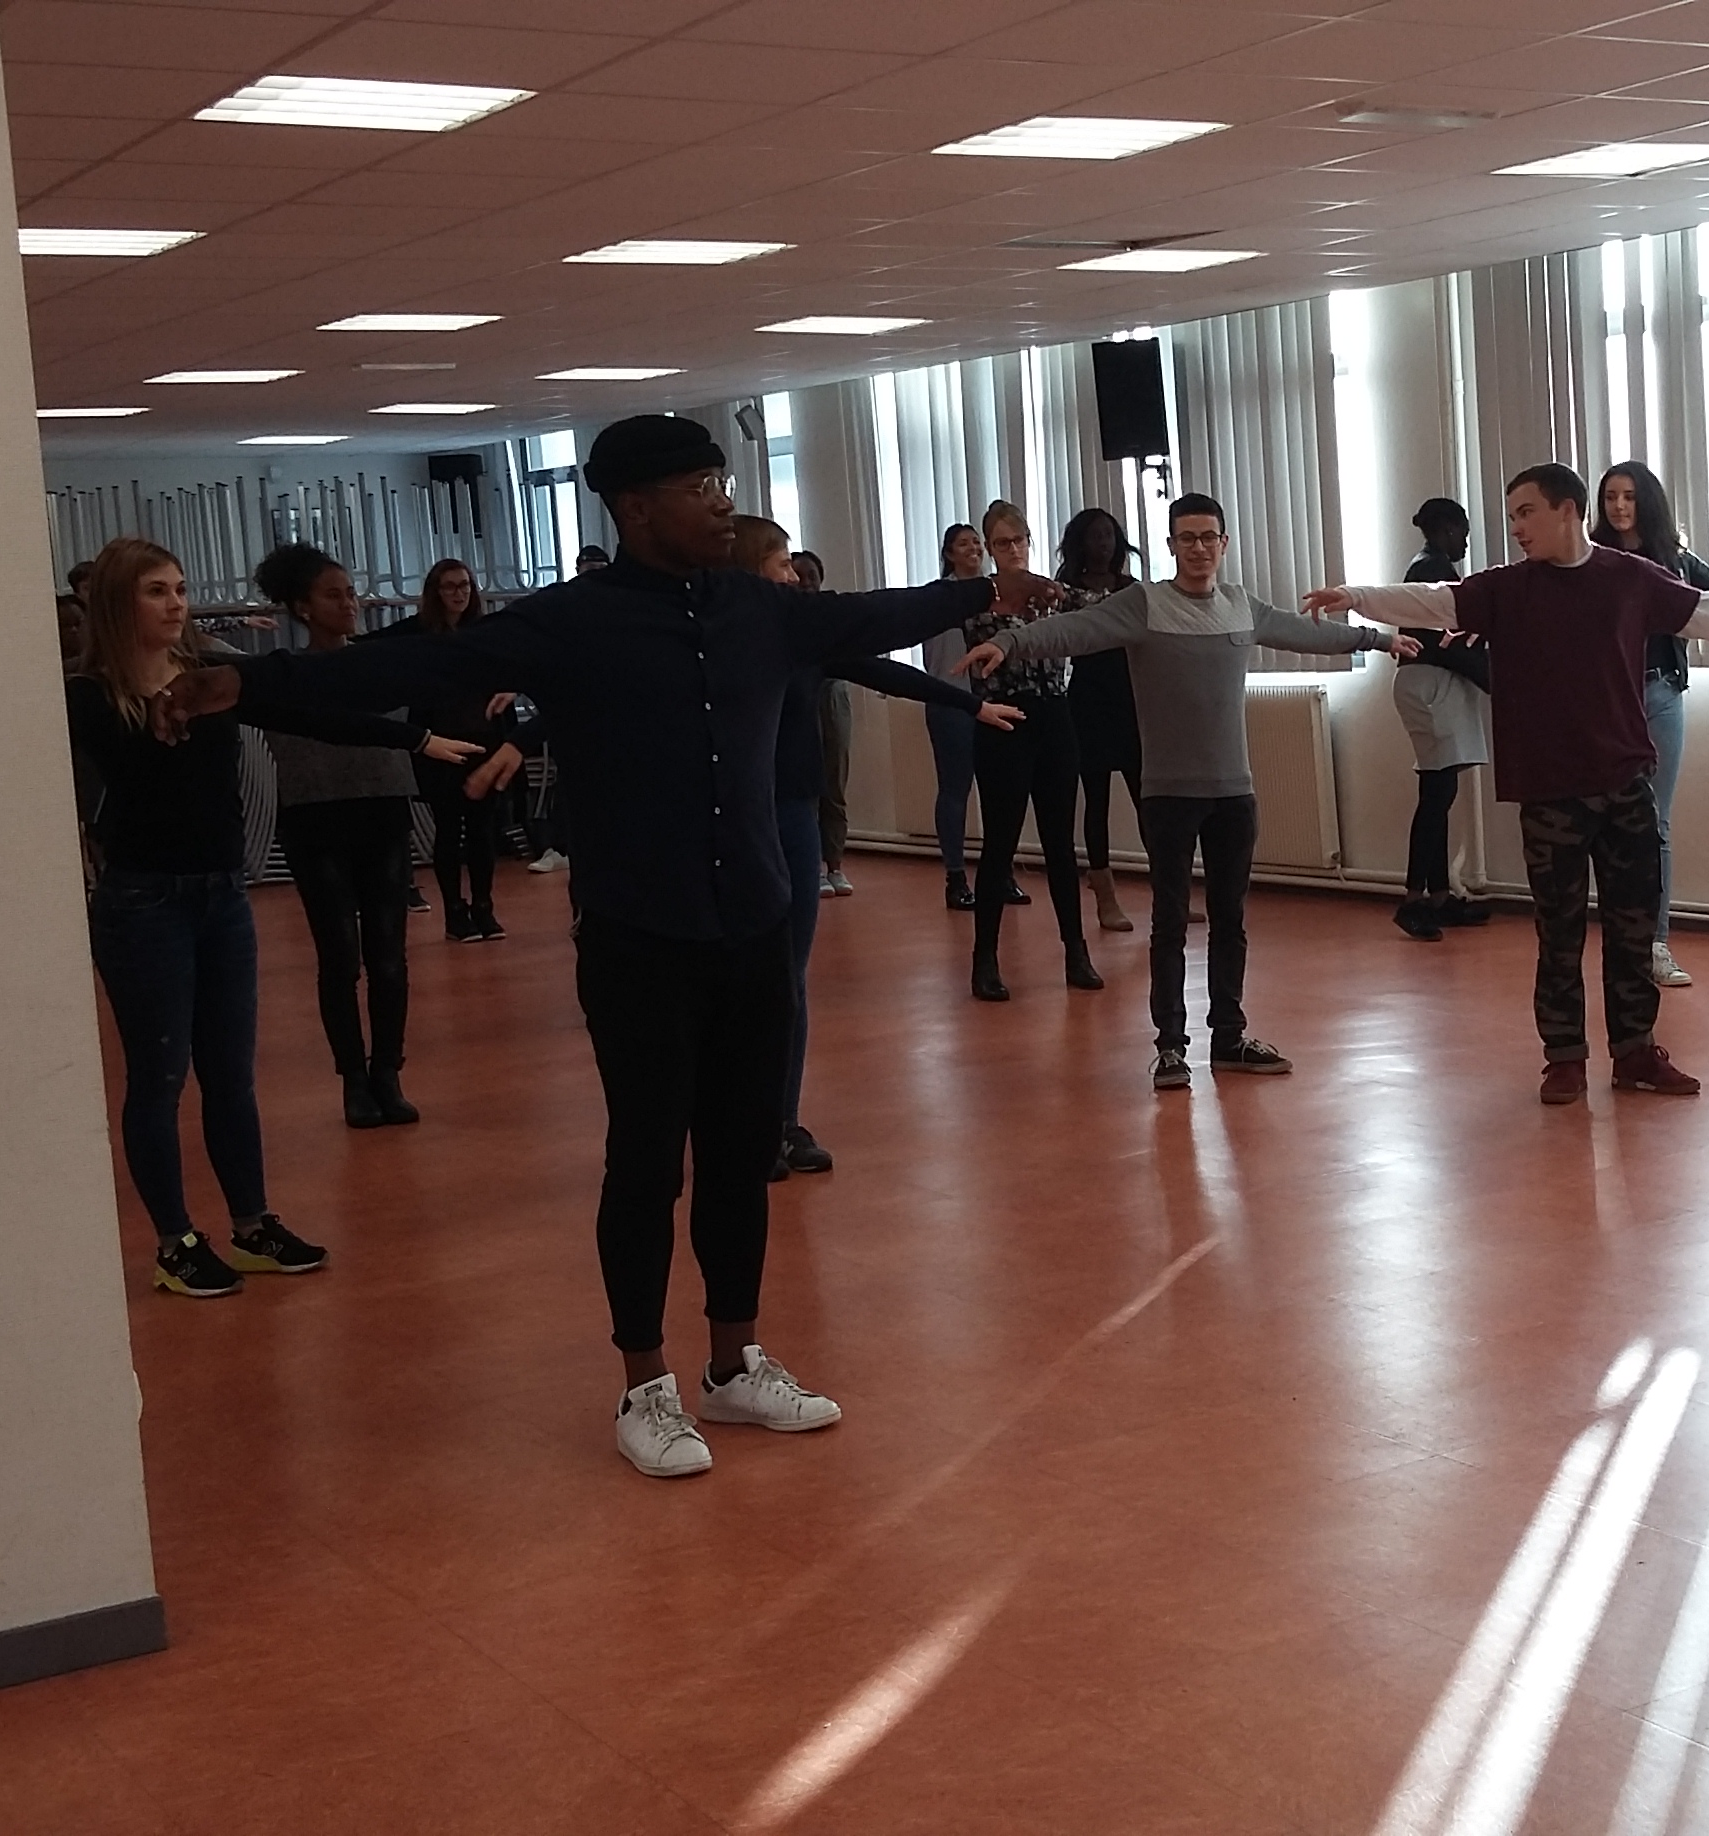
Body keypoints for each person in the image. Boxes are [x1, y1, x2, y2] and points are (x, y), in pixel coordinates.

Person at [159, 415, 1059, 1478]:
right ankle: (645, 1385)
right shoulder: (572, 623)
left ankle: (734, 1363)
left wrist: (987, 592)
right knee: (646, 1159)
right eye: (698, 487)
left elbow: (878, 614)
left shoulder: (762, 610)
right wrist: (250, 684)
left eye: (722, 482)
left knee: (740, 1153)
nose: (722, 502)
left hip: (753, 925)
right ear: (634, 507)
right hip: (640, 936)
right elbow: (408, 665)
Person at [1312, 466, 1709, 1104]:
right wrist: (1355, 596)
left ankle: (1635, 1051)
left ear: (1568, 511)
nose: (1516, 528)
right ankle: (1563, 1057)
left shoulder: (1631, 578)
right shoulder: (1508, 588)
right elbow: (1434, 601)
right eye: (1511, 516)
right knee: (1558, 932)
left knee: (1632, 930)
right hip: (1550, 790)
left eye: (1526, 512)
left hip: (1624, 783)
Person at [68, 538, 472, 1297]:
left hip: (222, 896)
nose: (176, 603)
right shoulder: (87, 697)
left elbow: (315, 713)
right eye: (156, 590)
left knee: (230, 1073)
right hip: (143, 903)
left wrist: (416, 737)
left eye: (179, 587)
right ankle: (175, 1242)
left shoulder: (210, 678)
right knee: (159, 1077)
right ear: (120, 603)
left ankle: (251, 1224)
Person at [961, 492, 1410, 1091]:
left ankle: (1229, 1037)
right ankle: (1170, 1046)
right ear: (1171, 545)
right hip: (1169, 794)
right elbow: (1073, 630)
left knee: (1231, 921)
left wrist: (1376, 642)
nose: (1198, 548)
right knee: (1169, 923)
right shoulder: (1143, 604)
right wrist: (1009, 643)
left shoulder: (1241, 605)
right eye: (1187, 538)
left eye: (1208, 537)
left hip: (1233, 793)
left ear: (1224, 544)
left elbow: (1302, 632)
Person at [732, 516, 1015, 1177]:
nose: (794, 574)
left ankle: (782, 1123)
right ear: (749, 571)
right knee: (742, 977)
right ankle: (737, 1123)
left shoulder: (803, 638)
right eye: (780, 563)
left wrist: (968, 705)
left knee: (788, 975)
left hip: (795, 815)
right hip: (739, 823)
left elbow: (883, 672)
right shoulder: (725, 642)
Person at [256, 542, 427, 1127]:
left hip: (382, 809)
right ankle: (353, 1078)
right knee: (339, 957)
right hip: (315, 816)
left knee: (389, 956)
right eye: (334, 596)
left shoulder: (379, 660)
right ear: (302, 607)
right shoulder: (281, 673)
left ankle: (388, 1073)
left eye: (351, 593)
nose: (350, 604)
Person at [1594, 462, 1709, 989]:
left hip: (1661, 692)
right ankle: (1621, 941)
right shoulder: (1590, 560)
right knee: (1607, 822)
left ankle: (1655, 943)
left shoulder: (1675, 561)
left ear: (1646, 502)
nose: (1619, 507)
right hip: (1609, 701)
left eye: (1629, 497)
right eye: (1610, 497)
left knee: (1656, 823)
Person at [960, 501, 1099, 1000]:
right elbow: (998, 645)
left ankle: (1076, 952)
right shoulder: (976, 597)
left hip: (1054, 715)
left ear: (1029, 541)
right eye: (1002, 543)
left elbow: (1101, 605)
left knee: (1061, 843)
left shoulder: (1053, 592)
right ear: (989, 548)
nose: (1013, 550)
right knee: (1000, 843)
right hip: (1002, 720)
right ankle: (984, 960)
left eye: (1019, 540)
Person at [366, 559, 513, 941]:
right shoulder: (419, 631)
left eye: (464, 585)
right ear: (436, 592)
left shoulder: (484, 630)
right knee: (449, 828)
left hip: (483, 739)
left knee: (482, 830)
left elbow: (515, 665)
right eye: (450, 586)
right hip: (437, 744)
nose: (459, 593)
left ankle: (484, 906)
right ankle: (454, 911)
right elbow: (370, 646)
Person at [1392, 496, 1493, 942]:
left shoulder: (1428, 566)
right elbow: (1450, 644)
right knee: (1436, 794)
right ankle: (1412, 900)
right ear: (1447, 529)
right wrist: (1496, 682)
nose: (1466, 543)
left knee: (1440, 790)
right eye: (1463, 533)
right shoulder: (1433, 571)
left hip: (1432, 684)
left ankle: (1437, 896)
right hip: (1430, 685)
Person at [1057, 508, 1145, 935]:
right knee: (1097, 801)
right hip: (1088, 701)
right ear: (1081, 543)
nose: (1105, 543)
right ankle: (1105, 896)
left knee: (1148, 796)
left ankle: (1172, 890)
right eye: (1096, 536)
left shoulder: (1132, 588)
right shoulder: (1066, 591)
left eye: (1110, 535)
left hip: (1129, 700)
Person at [921, 523, 1009, 911]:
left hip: (994, 700)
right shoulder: (938, 597)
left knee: (1000, 790)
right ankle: (955, 877)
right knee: (955, 789)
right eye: (963, 543)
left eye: (977, 542)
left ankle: (1000, 873)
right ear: (949, 554)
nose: (973, 548)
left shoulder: (998, 592)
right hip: (952, 701)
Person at [789, 548, 859, 897]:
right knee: (808, 781)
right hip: (799, 696)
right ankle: (813, 867)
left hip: (833, 692)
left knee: (835, 779)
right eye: (798, 576)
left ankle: (835, 865)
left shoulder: (832, 613)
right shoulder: (781, 615)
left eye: (812, 577)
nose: (805, 583)